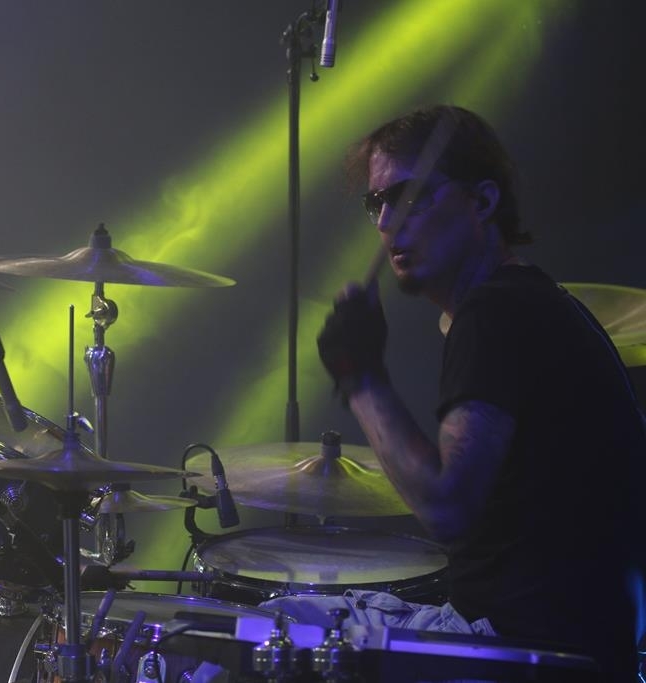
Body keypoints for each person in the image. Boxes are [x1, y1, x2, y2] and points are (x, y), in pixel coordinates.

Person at [253, 104, 646, 681]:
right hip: (567, 643)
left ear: (482, 202)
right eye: (377, 203)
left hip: (521, 650)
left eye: (410, 197)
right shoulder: (533, 302)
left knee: (272, 629)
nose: (388, 222)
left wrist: (361, 376)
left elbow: (448, 508)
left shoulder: (497, 311)